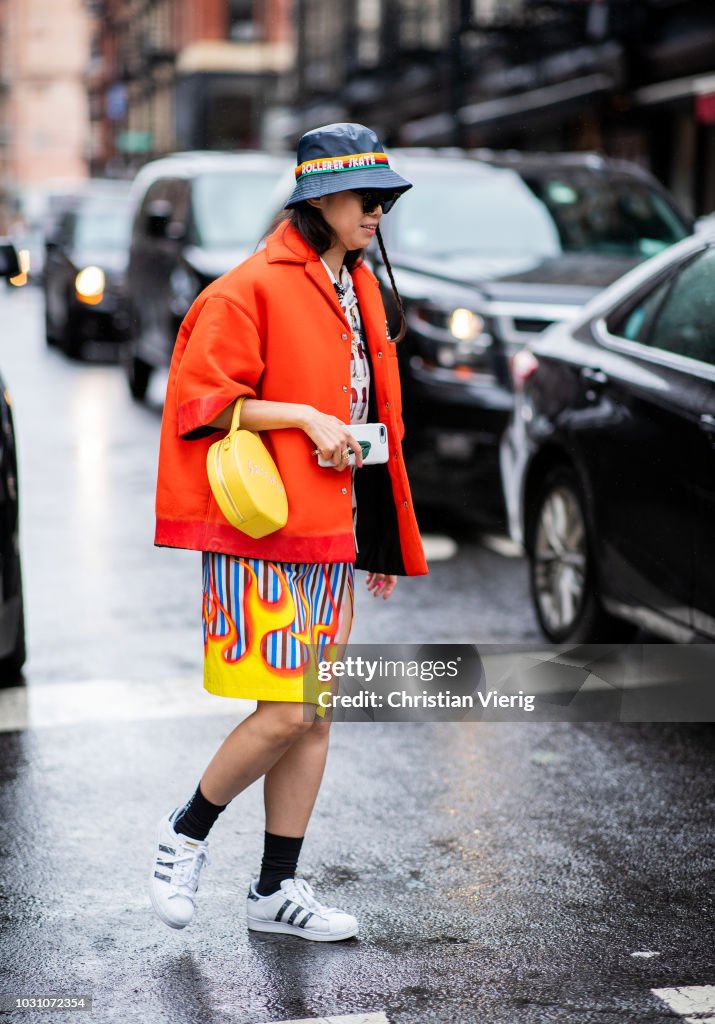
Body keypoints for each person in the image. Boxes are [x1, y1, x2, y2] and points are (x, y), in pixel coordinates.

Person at [149, 122, 428, 941]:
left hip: (330, 531)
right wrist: (301, 415)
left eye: (385, 196)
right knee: (283, 712)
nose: (378, 209)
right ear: (315, 203)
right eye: (362, 196)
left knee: (317, 711)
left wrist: (373, 529)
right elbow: (199, 404)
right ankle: (181, 837)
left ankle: (275, 891)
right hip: (262, 530)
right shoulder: (249, 288)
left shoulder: (360, 287)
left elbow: (377, 418)